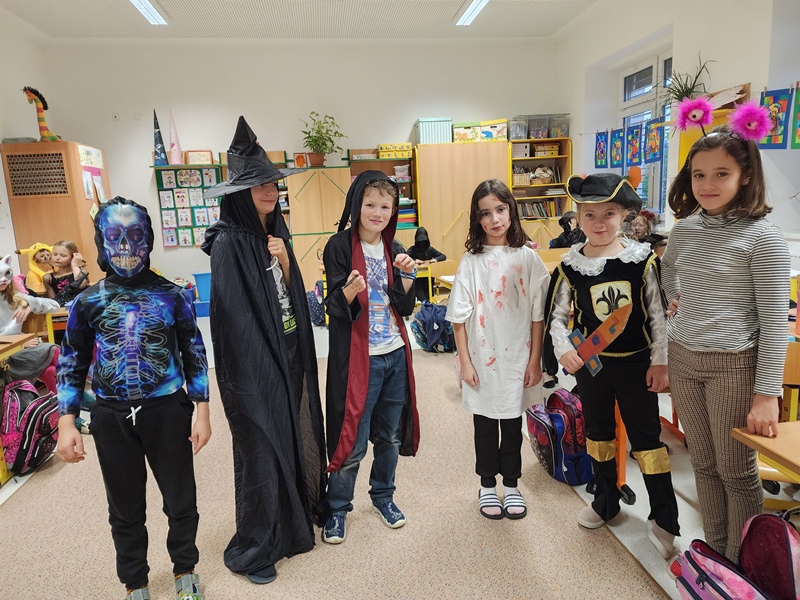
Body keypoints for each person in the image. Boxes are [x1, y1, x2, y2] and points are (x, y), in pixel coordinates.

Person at [56, 197, 210, 600]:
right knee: (124, 506)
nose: (125, 246)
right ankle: (135, 581)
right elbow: (71, 361)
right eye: (114, 235)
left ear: (149, 240)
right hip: (111, 415)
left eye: (135, 235)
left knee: (180, 497)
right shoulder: (87, 301)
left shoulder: (173, 295)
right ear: (101, 242)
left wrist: (203, 411)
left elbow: (194, 353)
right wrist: (66, 421)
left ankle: (185, 568)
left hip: (167, 409)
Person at [201, 116, 327, 584]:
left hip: (290, 350)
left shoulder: (277, 232)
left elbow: (293, 296)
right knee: (261, 446)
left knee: (293, 432)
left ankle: (293, 522)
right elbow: (233, 320)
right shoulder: (228, 243)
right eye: (259, 185)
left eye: (273, 183)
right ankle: (259, 544)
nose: (270, 191)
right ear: (239, 192)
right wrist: (259, 368)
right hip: (255, 366)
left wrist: (285, 260)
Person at [663, 103, 790, 562]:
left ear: (746, 176)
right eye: (699, 175)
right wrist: (673, 299)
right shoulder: (685, 230)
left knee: (736, 472)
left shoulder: (764, 238)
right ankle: (716, 557)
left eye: (721, 174)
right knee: (702, 463)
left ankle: (744, 565)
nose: (707, 185)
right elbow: (668, 272)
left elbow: (775, 324)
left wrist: (766, 394)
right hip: (684, 357)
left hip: (734, 367)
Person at [545, 173, 680, 561]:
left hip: (638, 365)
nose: (599, 222)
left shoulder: (642, 260)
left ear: (624, 215)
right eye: (589, 215)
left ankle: (665, 518)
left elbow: (657, 316)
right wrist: (564, 350)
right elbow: (557, 317)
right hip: (593, 366)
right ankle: (605, 501)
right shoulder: (570, 266)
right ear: (577, 218)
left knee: (648, 441)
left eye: (608, 213)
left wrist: (660, 362)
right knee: (599, 434)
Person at [322, 170, 419, 544]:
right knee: (352, 439)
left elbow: (403, 307)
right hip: (359, 360)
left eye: (385, 206)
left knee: (389, 437)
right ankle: (337, 509)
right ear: (356, 206)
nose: (377, 213)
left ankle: (383, 497)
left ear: (393, 211)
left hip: (394, 354)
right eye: (370, 205)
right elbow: (333, 308)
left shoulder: (395, 248)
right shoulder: (339, 247)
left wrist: (408, 277)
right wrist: (349, 291)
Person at [446, 179, 550, 521]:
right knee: (485, 425)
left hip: (518, 358)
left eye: (501, 210)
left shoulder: (528, 258)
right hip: (482, 359)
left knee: (512, 423)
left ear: (511, 211)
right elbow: (458, 319)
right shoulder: (471, 261)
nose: (494, 219)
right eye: (485, 213)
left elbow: (538, 316)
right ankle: (487, 485)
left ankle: (512, 484)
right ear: (477, 219)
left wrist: (535, 361)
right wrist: (464, 363)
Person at [0, 254, 60, 393]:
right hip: (6, 354)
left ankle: (64, 401)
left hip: (22, 347)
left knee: (52, 359)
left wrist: (29, 305)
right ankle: (70, 400)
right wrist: (19, 344)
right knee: (52, 354)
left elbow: (54, 305)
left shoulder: (13, 297)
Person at [43, 240, 89, 306]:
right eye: (55, 254)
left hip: (81, 307)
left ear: (73, 257)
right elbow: (52, 302)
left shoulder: (80, 271)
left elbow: (81, 285)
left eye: (63, 255)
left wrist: (75, 265)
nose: (57, 258)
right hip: (61, 310)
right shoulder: (48, 278)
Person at [406, 226, 447, 301]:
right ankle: (425, 302)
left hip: (428, 276)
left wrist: (436, 259)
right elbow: (405, 257)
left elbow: (443, 256)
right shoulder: (412, 249)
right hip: (417, 277)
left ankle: (427, 302)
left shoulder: (429, 249)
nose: (422, 243)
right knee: (419, 288)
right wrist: (414, 260)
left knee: (428, 289)